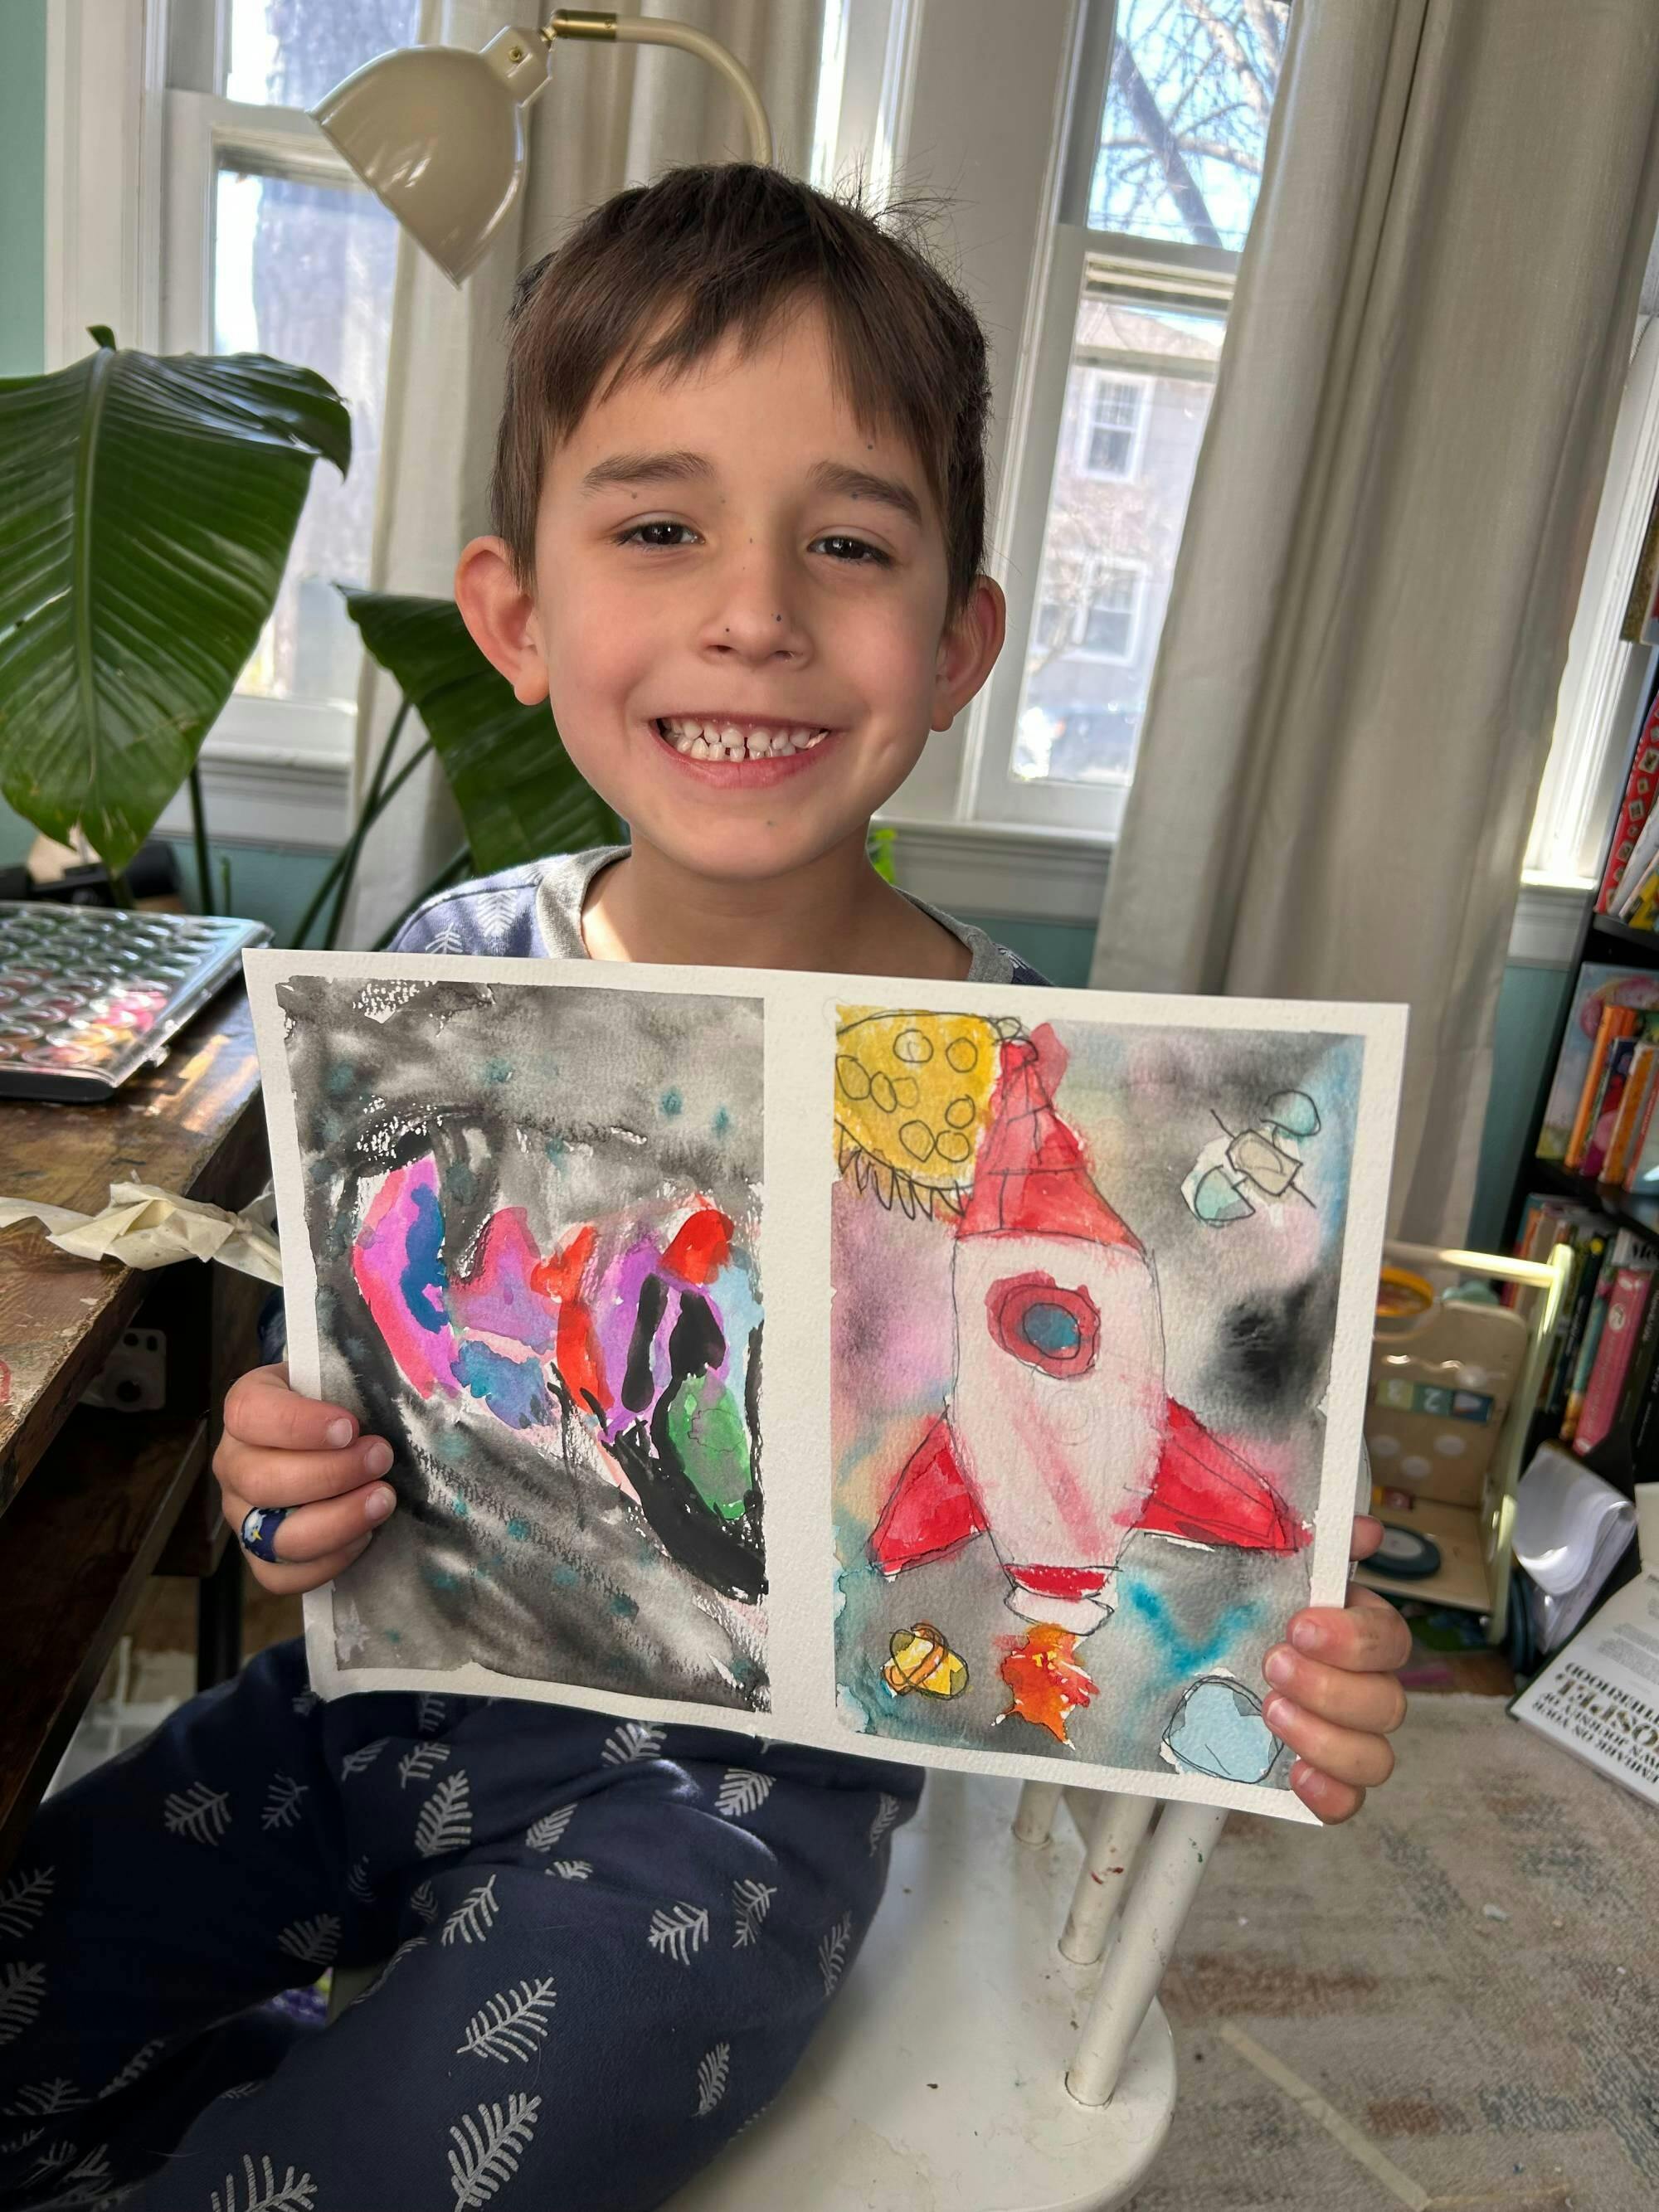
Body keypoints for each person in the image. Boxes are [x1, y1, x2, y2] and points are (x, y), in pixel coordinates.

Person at [0, 165, 1411, 2212]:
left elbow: (1194, 1521)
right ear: (516, 615)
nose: (754, 611)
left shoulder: (1052, 1086)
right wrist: (282, 1477)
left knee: (495, 2095)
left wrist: (1294, 1652)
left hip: (733, 1810)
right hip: (378, 1698)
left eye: (849, 544)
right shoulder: (449, 968)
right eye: (659, 528)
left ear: (958, 642)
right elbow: (336, 1437)